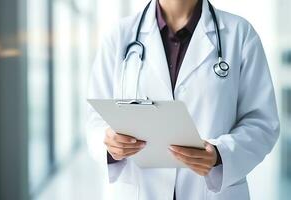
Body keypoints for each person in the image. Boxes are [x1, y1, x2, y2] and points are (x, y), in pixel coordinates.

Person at [86, 0, 280, 199]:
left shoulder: (240, 34)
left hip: (209, 191)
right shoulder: (119, 35)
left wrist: (220, 155)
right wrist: (110, 144)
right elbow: (95, 119)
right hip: (139, 189)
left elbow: (262, 122)